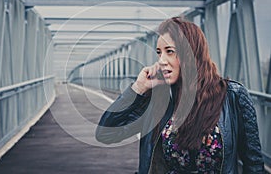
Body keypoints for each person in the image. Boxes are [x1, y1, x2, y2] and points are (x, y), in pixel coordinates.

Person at [95, 17, 264, 173]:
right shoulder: (158, 100)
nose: (161, 60)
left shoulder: (232, 96)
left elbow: (253, 164)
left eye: (169, 51)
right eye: (159, 52)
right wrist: (138, 88)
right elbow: (106, 133)